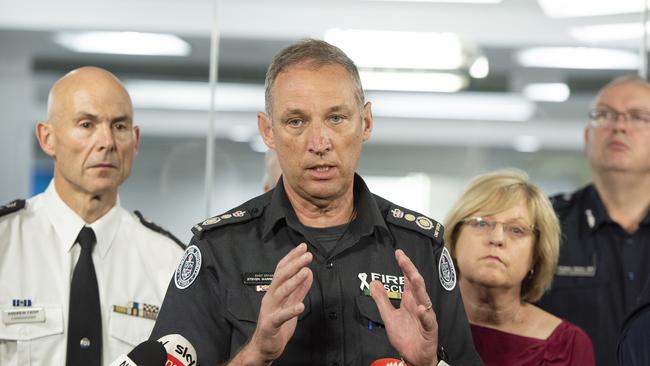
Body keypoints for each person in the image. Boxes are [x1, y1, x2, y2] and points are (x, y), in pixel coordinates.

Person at [151, 39, 482, 366]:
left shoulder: (420, 248)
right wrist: (256, 354)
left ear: (365, 122)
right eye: (296, 121)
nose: (319, 143)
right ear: (267, 131)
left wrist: (428, 365)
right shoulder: (220, 250)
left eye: (336, 118)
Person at [0, 67, 185, 366]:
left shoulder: (168, 262)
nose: (107, 142)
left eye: (120, 126)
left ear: (135, 141)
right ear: (47, 138)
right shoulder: (5, 243)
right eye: (87, 124)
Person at [538, 75, 650, 365]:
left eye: (638, 117)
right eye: (604, 115)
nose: (619, 126)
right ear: (587, 138)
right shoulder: (544, 225)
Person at [444, 170, 594, 365]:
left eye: (516, 230)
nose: (496, 239)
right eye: (481, 224)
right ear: (454, 239)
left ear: (536, 256)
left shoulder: (568, 346)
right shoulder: (416, 322)